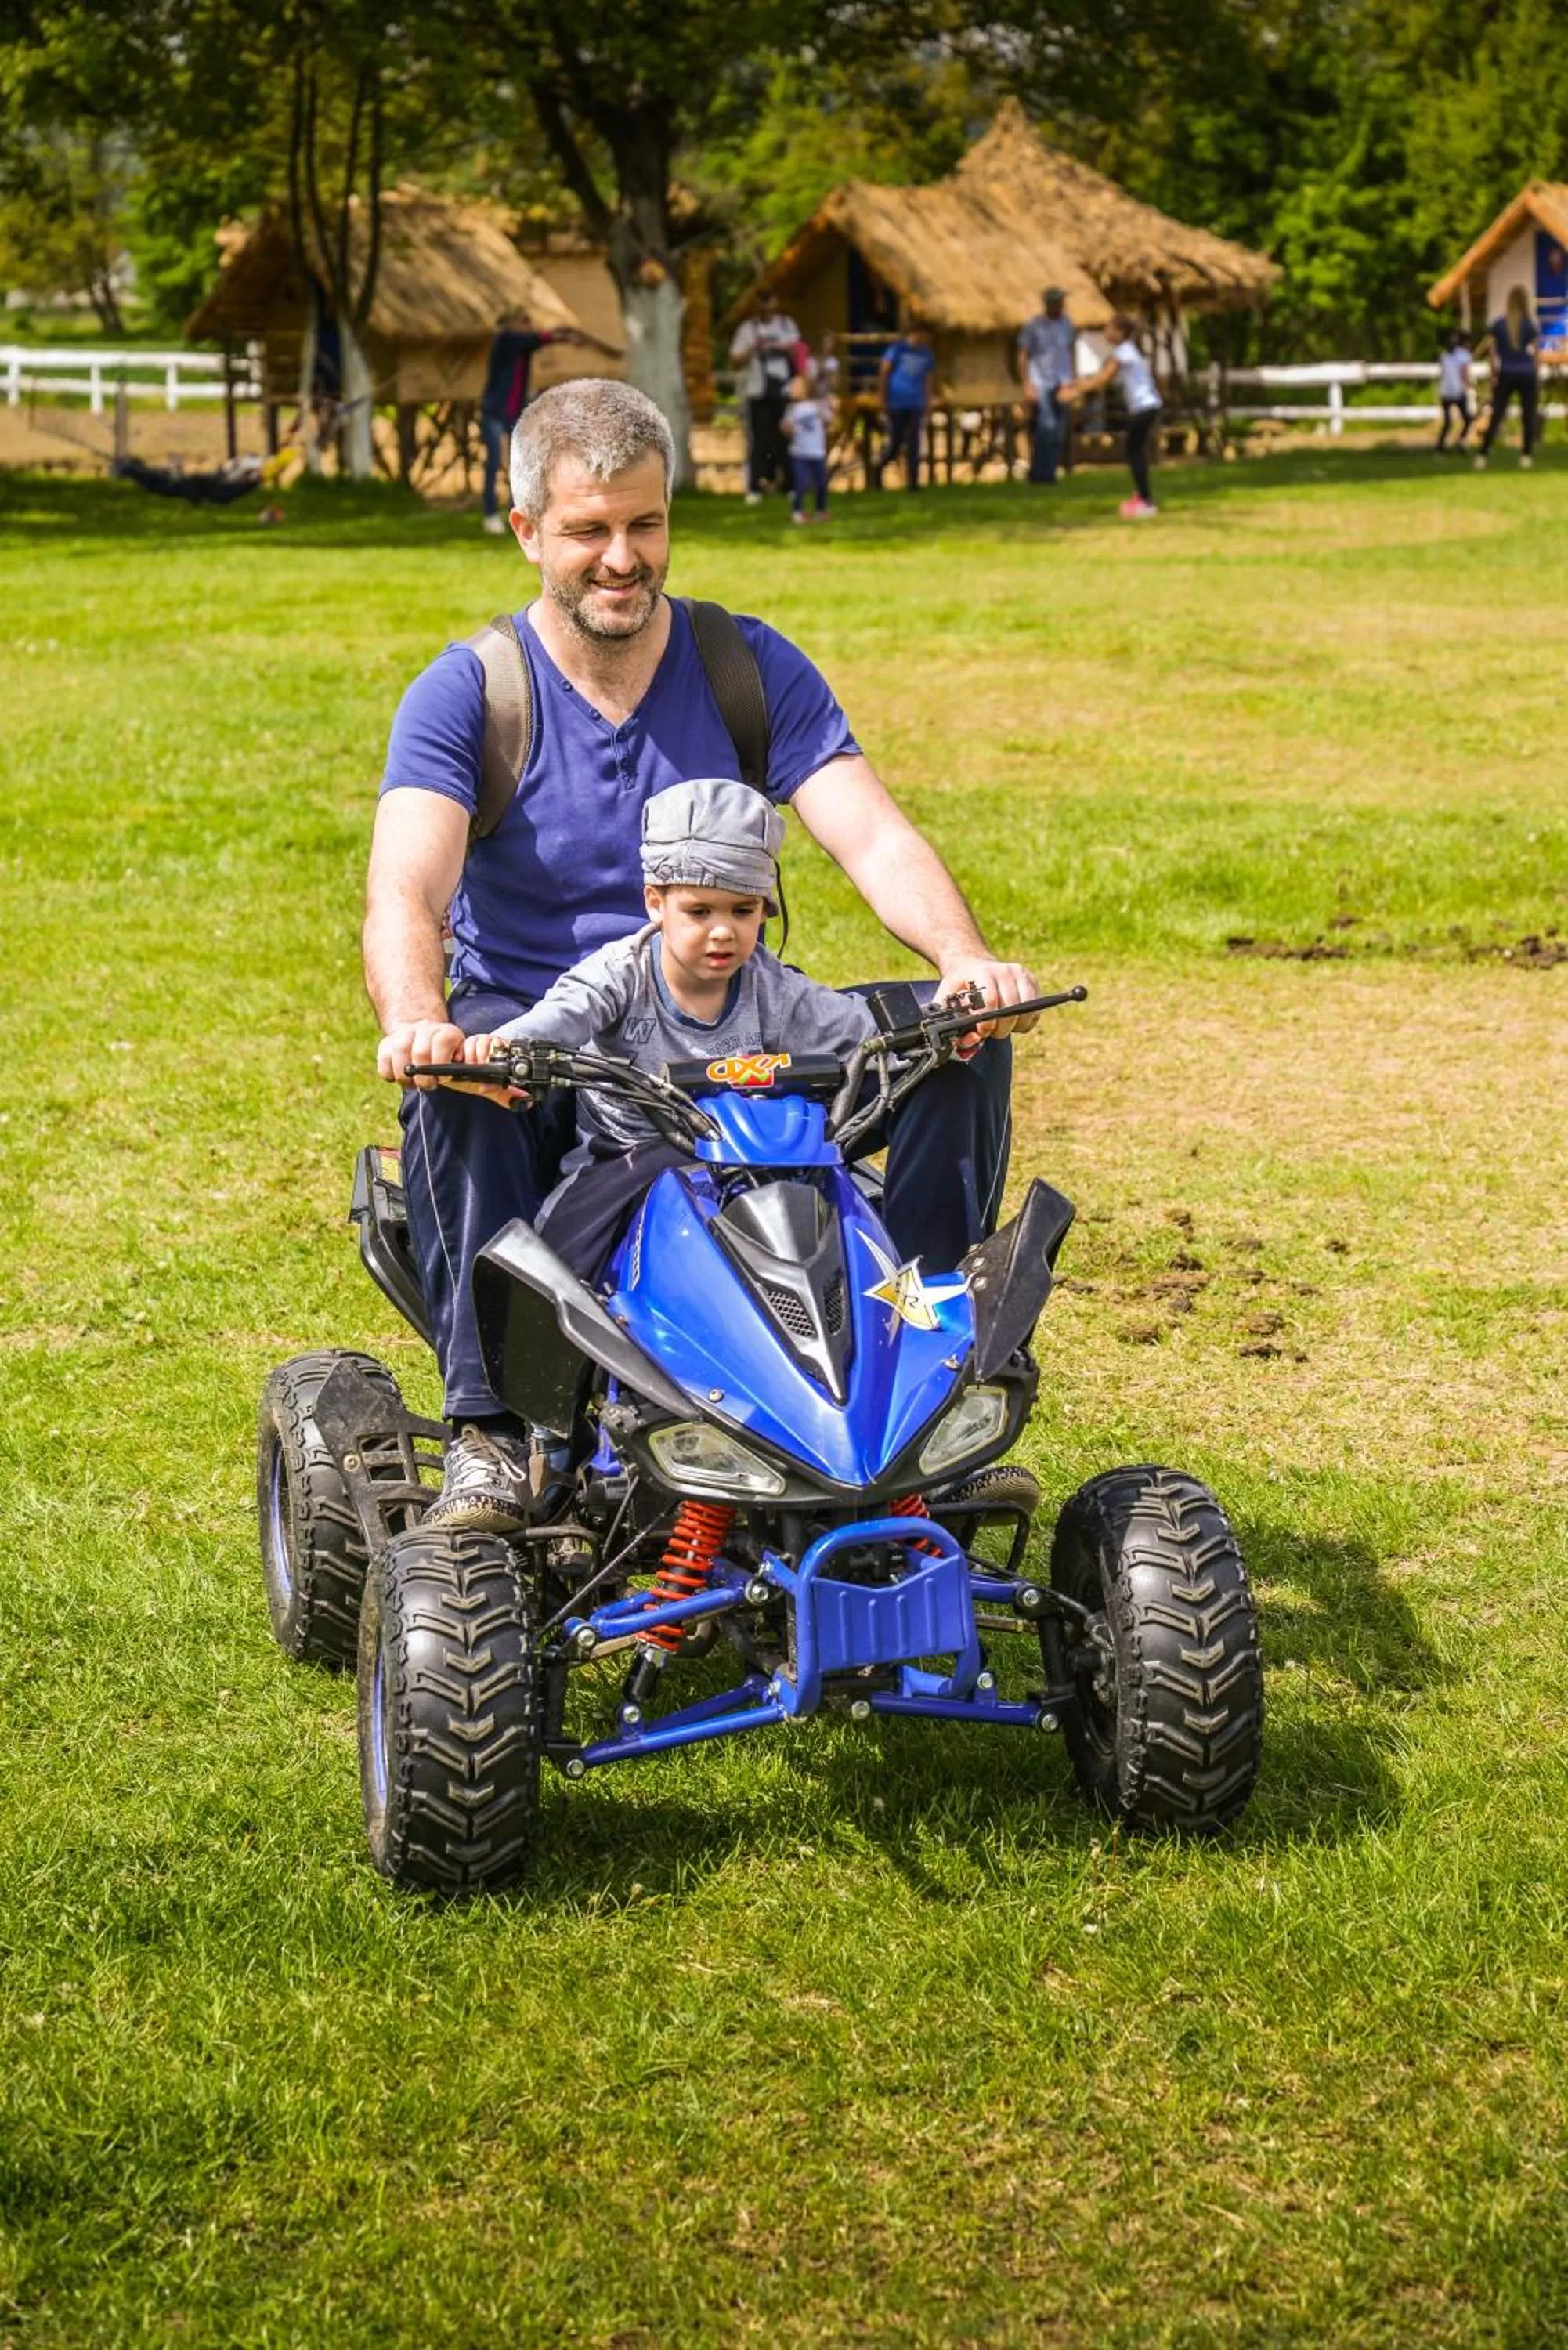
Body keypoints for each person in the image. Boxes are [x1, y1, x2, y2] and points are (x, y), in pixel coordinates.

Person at [367, 378, 1037, 1531]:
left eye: (645, 524)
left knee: (956, 1046)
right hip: (552, 1047)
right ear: (528, 531)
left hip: (733, 1019)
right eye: (588, 531)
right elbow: (404, 888)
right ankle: (488, 1432)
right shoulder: (473, 693)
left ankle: (924, 1392)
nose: (620, 558)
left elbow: (869, 831)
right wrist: (422, 1019)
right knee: (458, 1085)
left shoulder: (744, 666)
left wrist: (961, 959)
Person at [458, 779, 877, 1289]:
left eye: (742, 910)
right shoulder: (622, 974)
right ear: (656, 903)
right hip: (625, 1156)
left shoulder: (774, 988)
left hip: (745, 1155)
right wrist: (506, 1045)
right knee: (551, 1281)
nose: (723, 930)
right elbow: (565, 1013)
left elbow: (860, 1029)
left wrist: (933, 1026)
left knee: (848, 1224)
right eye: (699, 911)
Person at [479, 309, 616, 533]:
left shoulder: (524, 349)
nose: (528, 326)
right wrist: (566, 336)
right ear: (513, 323)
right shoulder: (506, 339)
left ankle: (517, 512)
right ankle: (490, 515)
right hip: (495, 413)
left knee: (518, 466)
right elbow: (537, 339)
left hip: (512, 415)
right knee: (493, 463)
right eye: (524, 322)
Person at [1063, 313, 1163, 519]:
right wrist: (1078, 385)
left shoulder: (1123, 352)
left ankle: (1146, 502)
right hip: (1146, 407)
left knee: (1134, 452)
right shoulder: (1125, 351)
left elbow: (1102, 380)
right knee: (1134, 451)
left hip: (1144, 407)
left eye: (1109, 329)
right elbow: (1100, 376)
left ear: (1120, 332)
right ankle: (1143, 496)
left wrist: (1074, 392)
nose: (1106, 333)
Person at [728, 298, 800, 503]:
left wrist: (782, 348)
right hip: (757, 392)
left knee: (785, 438)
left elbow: (798, 353)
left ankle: (790, 486)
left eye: (771, 307)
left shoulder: (786, 325)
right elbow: (735, 360)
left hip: (783, 392)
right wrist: (754, 348)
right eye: (763, 308)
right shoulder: (748, 329)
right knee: (759, 441)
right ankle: (754, 488)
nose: (767, 312)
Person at [1015, 287, 1077, 485]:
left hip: (1062, 382)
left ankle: (1049, 472)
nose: (1060, 306)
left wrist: (1073, 381)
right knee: (1045, 427)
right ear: (1049, 304)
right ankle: (1038, 472)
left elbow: (1070, 352)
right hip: (1040, 382)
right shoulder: (1034, 326)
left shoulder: (1067, 325)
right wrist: (1026, 384)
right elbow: (1023, 355)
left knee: (1059, 430)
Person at [1475, 288, 1540, 469]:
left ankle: (1483, 453)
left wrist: (1493, 373)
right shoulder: (1529, 325)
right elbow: (1536, 354)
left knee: (1497, 414)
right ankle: (1526, 455)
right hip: (1526, 373)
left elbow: (1491, 352)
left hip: (1507, 373)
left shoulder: (1499, 324)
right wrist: (1536, 372)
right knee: (1528, 416)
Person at [878, 327, 936, 490]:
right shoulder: (897, 349)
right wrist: (883, 397)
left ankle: (913, 483)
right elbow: (884, 371)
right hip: (897, 403)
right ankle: (878, 469)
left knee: (914, 444)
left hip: (916, 403)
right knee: (896, 442)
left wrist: (928, 404)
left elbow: (928, 381)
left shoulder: (927, 354)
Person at [782, 372, 829, 523]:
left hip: (817, 452)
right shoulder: (792, 409)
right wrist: (788, 429)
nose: (792, 389)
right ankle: (797, 511)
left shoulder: (816, 406)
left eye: (796, 385)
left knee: (821, 483)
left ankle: (820, 510)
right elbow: (784, 427)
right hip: (800, 453)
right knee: (800, 484)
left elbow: (829, 419)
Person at [1435, 329, 1473, 451]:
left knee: (1448, 422)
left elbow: (1443, 373)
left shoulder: (1444, 356)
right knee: (1467, 419)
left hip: (1445, 392)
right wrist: (1470, 386)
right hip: (1458, 391)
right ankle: (1461, 442)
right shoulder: (1464, 356)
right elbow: (1464, 373)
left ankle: (1440, 445)